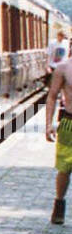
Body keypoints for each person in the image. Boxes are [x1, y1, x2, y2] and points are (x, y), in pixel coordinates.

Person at [45, 28, 72, 223]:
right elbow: (52, 96)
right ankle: (59, 204)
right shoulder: (63, 68)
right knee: (65, 166)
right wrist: (48, 124)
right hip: (69, 122)